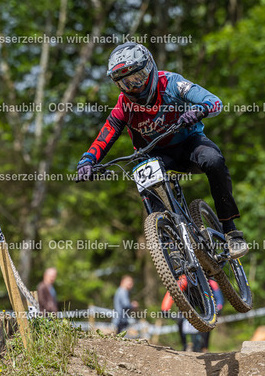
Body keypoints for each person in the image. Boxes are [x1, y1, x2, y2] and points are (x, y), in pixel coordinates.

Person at [77, 43, 247, 258]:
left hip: (189, 144)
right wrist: (87, 160)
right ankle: (170, 243)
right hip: (154, 155)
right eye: (125, 82)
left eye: (137, 78)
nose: (134, 87)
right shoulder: (124, 105)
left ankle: (231, 230)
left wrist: (198, 110)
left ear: (150, 69)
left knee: (213, 160)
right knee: (146, 180)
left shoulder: (172, 83)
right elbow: (106, 134)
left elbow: (214, 101)